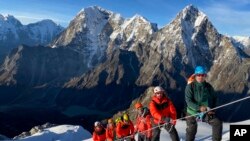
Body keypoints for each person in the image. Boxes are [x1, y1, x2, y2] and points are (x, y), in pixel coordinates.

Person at [185, 66, 222, 141]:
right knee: (191, 130)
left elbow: (215, 97)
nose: (200, 77)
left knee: (217, 123)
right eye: (198, 75)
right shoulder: (190, 86)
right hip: (192, 112)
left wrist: (213, 109)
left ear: (205, 76)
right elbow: (188, 101)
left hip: (205, 111)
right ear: (195, 75)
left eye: (202, 75)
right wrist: (199, 108)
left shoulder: (207, 86)